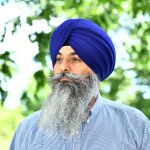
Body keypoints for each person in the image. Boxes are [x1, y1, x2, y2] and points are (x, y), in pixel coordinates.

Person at [10, 18, 150, 150]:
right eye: (58, 59)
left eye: (75, 59)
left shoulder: (133, 124)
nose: (63, 67)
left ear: (95, 66)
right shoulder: (28, 129)